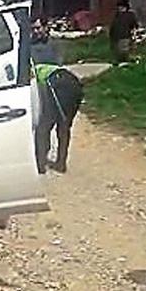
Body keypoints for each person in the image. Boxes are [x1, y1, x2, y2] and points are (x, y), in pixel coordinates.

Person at [31, 18, 84, 174]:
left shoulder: (54, 45)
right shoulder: (28, 45)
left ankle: (55, 161)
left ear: (46, 28)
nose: (36, 31)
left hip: (56, 84)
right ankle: (45, 160)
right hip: (46, 85)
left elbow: (58, 63)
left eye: (38, 28)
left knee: (54, 125)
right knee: (49, 126)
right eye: (33, 29)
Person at [109, 0, 139, 64]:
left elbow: (135, 25)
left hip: (125, 36)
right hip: (117, 36)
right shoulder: (117, 16)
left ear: (125, 7)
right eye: (119, 7)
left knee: (124, 50)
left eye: (121, 7)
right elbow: (113, 26)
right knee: (118, 50)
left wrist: (134, 32)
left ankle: (127, 59)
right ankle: (122, 59)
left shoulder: (129, 15)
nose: (119, 9)